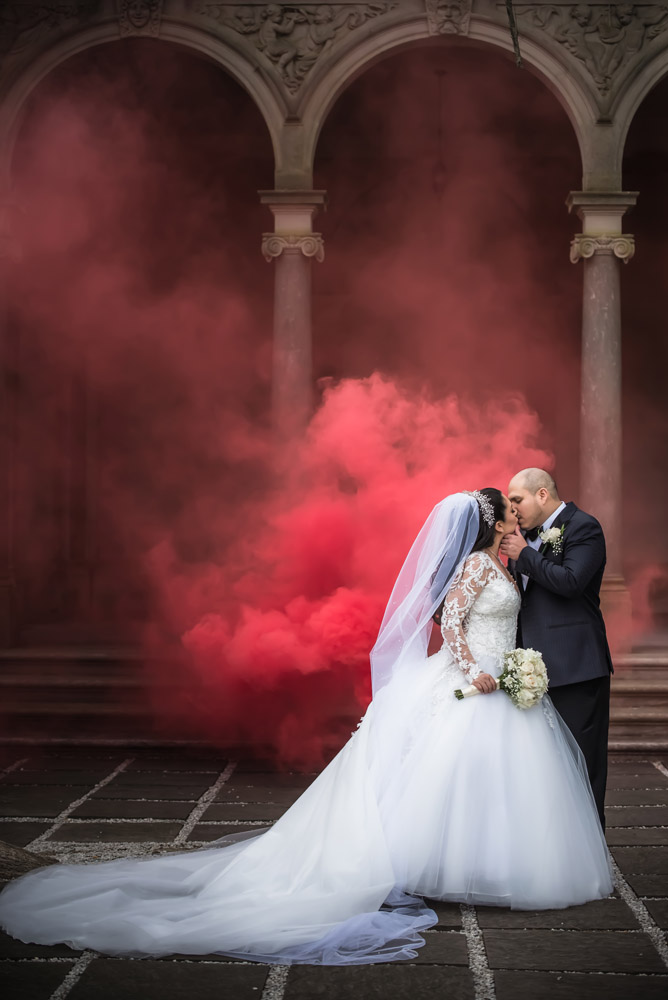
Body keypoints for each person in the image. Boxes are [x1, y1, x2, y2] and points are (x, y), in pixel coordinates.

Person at [0, 490, 613, 965]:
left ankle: (483, 866)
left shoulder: (505, 562)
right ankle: (431, 867)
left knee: (487, 780)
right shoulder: (477, 567)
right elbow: (450, 621)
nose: (516, 517)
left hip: (501, 678)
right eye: (508, 511)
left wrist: (508, 663)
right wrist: (476, 668)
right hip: (471, 679)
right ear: (490, 523)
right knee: (445, 775)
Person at [501, 469, 613, 829]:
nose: (513, 508)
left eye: (517, 500)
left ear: (542, 495)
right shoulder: (522, 539)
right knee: (542, 767)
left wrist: (525, 554)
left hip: (576, 665)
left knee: (582, 764)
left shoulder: (584, 527)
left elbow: (572, 582)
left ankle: (590, 848)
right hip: (530, 670)